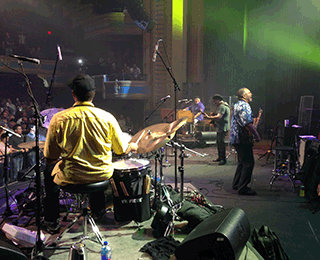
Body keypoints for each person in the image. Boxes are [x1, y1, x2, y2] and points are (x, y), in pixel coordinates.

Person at [42, 74, 138, 233]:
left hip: (71, 178)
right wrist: (132, 146)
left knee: (48, 172)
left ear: (73, 94)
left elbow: (50, 158)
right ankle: (99, 212)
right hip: (101, 176)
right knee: (100, 166)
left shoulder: (59, 119)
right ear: (93, 95)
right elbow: (121, 150)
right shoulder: (107, 117)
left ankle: (52, 220)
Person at [230, 88, 261, 196]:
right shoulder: (245, 105)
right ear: (243, 95)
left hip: (235, 137)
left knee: (242, 162)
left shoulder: (237, 105)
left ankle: (237, 184)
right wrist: (257, 135)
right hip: (242, 138)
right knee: (249, 163)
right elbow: (247, 124)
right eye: (249, 93)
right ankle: (243, 188)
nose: (251, 94)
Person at [203, 94, 230, 165]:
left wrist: (209, 117)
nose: (214, 103)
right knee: (219, 143)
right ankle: (220, 157)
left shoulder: (222, 107)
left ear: (219, 100)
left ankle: (223, 159)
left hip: (222, 127)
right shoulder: (222, 106)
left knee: (221, 143)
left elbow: (219, 117)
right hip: (221, 127)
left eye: (215, 101)